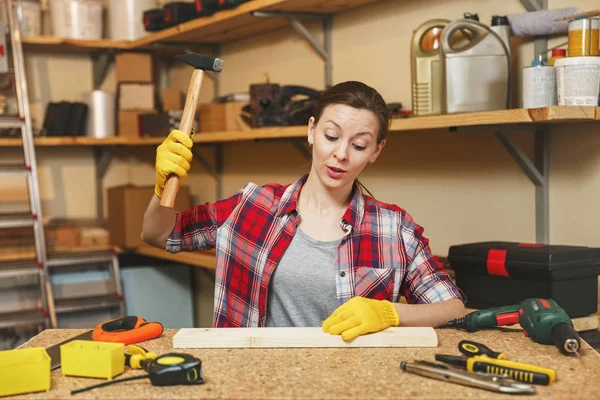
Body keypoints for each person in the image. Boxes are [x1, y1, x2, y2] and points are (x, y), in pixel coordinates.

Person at [142, 80, 466, 341]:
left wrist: (391, 313)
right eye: (331, 136)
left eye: (358, 145)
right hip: (251, 384)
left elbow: (453, 308)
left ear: (376, 151)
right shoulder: (253, 205)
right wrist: (161, 189)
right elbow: (159, 235)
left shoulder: (393, 229)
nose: (340, 154)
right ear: (312, 130)